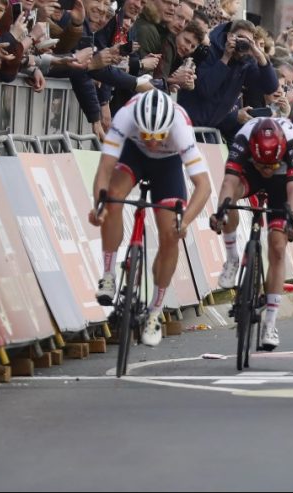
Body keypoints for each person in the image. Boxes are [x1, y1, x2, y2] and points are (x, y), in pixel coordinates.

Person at [90, 89, 212, 347]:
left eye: (158, 136)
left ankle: (155, 312)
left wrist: (186, 221)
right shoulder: (126, 116)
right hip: (133, 155)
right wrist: (98, 205)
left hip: (168, 165)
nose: (153, 142)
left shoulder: (180, 126)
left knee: (171, 235)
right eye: (147, 135)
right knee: (112, 198)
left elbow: (204, 186)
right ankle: (109, 274)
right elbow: (104, 168)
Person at [211, 117, 293, 351]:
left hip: (282, 181)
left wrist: (292, 220)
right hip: (248, 173)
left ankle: (270, 323)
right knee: (229, 202)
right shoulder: (243, 138)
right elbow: (228, 182)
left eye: (269, 165)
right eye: (263, 164)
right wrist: (220, 212)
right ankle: (232, 258)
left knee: (278, 246)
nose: (266, 170)